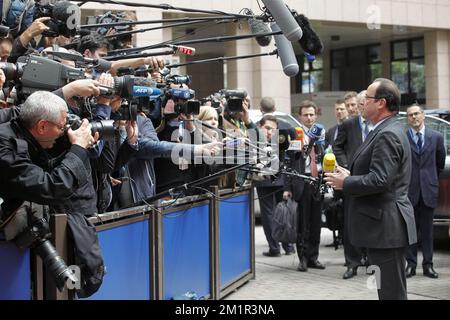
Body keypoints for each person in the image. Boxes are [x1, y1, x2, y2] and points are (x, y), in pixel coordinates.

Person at [325, 78, 417, 300]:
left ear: (381, 103)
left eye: (367, 98)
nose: (361, 102)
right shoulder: (384, 129)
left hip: (386, 228)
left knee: (391, 293)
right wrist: (351, 176)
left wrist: (346, 183)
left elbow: (381, 180)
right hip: (383, 227)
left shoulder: (387, 133)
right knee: (388, 291)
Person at [405, 104, 446, 279]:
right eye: (410, 115)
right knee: (410, 231)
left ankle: (428, 265)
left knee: (428, 231)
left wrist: (430, 179)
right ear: (408, 119)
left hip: (428, 190)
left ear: (423, 116)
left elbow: (440, 163)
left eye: (416, 114)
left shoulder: (436, 137)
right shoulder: (403, 137)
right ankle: (411, 265)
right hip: (409, 192)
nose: (414, 117)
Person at [284, 100, 326, 272]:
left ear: (316, 115)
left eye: (311, 114)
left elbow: (326, 155)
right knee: (303, 222)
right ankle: (302, 258)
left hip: (318, 181)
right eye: (305, 115)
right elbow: (289, 161)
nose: (309, 118)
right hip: (302, 180)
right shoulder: (295, 134)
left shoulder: (322, 132)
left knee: (316, 222)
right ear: (300, 116)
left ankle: (313, 257)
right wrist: (287, 188)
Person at [333, 90, 371, 279]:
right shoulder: (349, 124)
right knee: (351, 224)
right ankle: (352, 263)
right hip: (351, 181)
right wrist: (346, 165)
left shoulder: (377, 125)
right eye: (360, 103)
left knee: (371, 220)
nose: (362, 106)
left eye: (365, 103)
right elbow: (337, 146)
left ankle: (371, 261)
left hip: (372, 180)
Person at [255, 115, 295, 257]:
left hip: (278, 181)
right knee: (269, 216)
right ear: (260, 127)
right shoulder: (255, 140)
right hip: (263, 181)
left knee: (281, 214)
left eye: (273, 129)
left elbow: (286, 162)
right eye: (267, 128)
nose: (270, 132)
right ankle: (276, 247)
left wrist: (286, 186)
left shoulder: (280, 140)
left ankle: (286, 246)